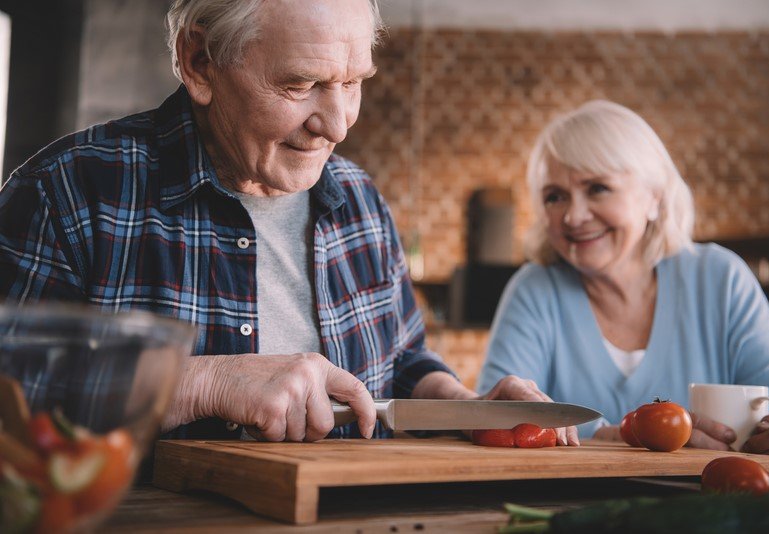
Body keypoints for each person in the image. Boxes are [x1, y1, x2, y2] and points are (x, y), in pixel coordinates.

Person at [0, 0, 575, 444]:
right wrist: (208, 381)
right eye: (301, 84)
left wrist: (463, 406)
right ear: (199, 61)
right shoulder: (68, 192)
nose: (338, 124)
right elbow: (12, 395)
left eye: (353, 83)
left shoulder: (360, 200)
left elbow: (400, 363)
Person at [477, 100, 769, 456]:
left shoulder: (721, 279)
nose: (573, 216)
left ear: (654, 198)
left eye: (597, 188)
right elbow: (495, 421)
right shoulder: (534, 289)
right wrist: (626, 435)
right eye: (555, 197)